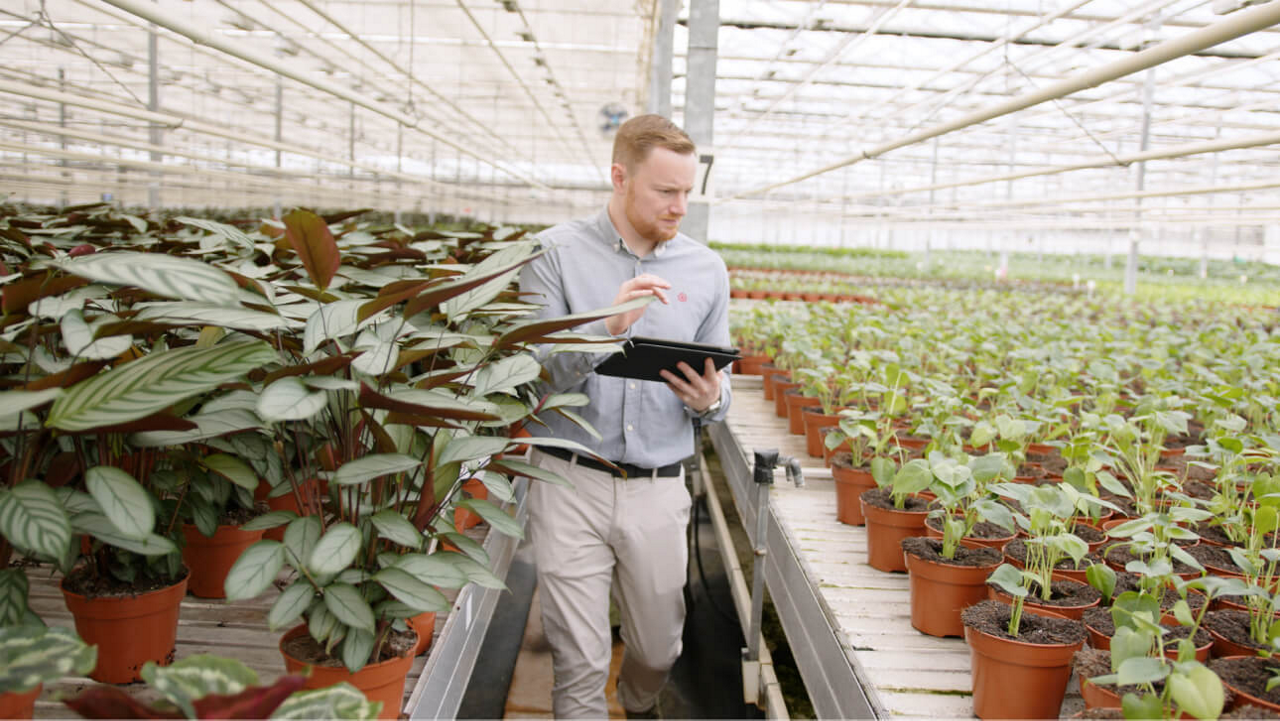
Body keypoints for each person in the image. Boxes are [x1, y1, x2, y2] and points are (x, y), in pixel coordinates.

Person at [518, 114, 733, 719]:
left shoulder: (705, 269)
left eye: (687, 192)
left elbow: (724, 387)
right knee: (578, 662)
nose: (679, 206)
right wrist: (603, 329)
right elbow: (528, 369)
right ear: (619, 176)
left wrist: (709, 401)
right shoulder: (553, 253)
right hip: (569, 480)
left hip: (659, 490)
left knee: (659, 649)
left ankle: (639, 703)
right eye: (666, 191)